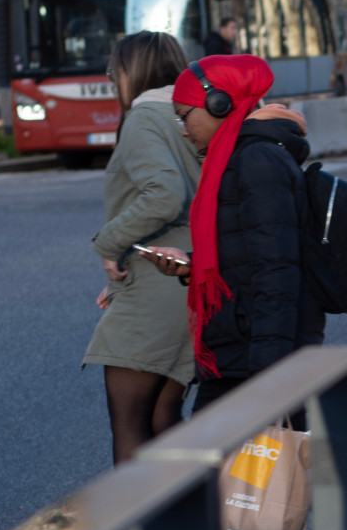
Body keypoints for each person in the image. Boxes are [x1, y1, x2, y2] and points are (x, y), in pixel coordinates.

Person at [139, 55, 324, 410]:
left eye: (185, 114)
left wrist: (269, 374)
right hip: (236, 349)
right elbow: (250, 249)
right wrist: (194, 265)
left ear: (219, 104)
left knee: (230, 462)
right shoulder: (236, 157)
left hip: (254, 356)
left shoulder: (257, 160)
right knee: (229, 464)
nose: (183, 128)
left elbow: (278, 269)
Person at [84, 34, 200, 460]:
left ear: (131, 73)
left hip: (157, 284)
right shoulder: (194, 115)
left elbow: (164, 194)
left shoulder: (143, 116)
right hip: (194, 274)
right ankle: (186, 523)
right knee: (163, 420)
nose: (113, 80)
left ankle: (144, 529)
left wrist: (110, 244)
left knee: (131, 424)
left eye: (114, 72)